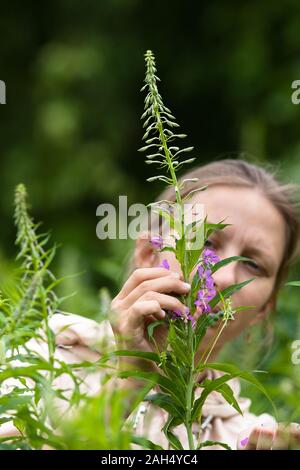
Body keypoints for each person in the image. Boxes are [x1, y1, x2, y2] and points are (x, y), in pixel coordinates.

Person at [0, 159, 300, 450]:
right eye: (206, 242)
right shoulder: (47, 358)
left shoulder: (253, 438)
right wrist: (130, 379)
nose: (223, 276)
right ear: (148, 254)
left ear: (265, 309)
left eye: (254, 265)